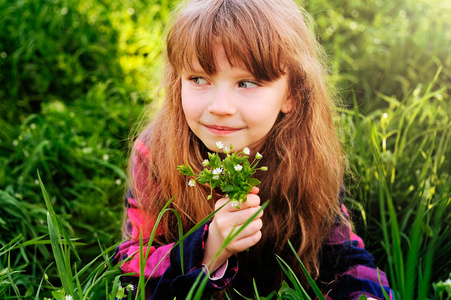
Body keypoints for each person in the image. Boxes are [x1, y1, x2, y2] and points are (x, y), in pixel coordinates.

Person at [114, 0, 394, 299]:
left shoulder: (309, 157)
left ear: (293, 94)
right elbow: (132, 266)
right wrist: (208, 250)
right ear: (177, 82)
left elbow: (343, 258)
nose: (220, 107)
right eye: (198, 79)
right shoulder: (156, 153)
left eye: (246, 83)